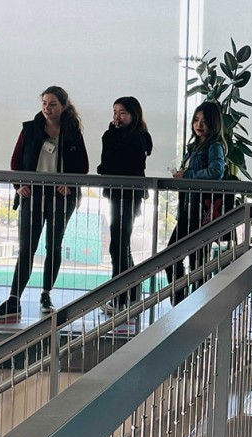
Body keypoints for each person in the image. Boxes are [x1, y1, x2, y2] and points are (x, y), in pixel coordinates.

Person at [0, 86, 89, 319]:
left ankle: (46, 294)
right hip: (32, 197)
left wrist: (71, 185)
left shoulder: (72, 132)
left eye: (52, 104)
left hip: (61, 198)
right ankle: (14, 300)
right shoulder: (30, 129)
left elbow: (82, 166)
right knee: (26, 248)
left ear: (63, 106)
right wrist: (19, 185)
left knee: (53, 246)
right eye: (44, 103)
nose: (47, 108)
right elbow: (16, 161)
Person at [165, 101, 226, 305]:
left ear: (214, 123)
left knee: (196, 263)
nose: (199, 124)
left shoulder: (214, 146)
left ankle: (192, 307)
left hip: (200, 213)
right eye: (196, 120)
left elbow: (216, 172)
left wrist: (188, 174)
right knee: (174, 259)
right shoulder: (193, 148)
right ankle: (182, 304)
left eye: (205, 121)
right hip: (187, 210)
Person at [97, 97, 153, 313]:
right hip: (115, 193)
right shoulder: (111, 135)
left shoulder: (139, 137)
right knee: (120, 243)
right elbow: (106, 162)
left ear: (133, 115)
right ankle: (129, 292)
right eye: (115, 112)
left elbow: (126, 165)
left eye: (122, 113)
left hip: (129, 194)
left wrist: (109, 167)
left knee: (119, 244)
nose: (117, 117)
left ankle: (120, 296)